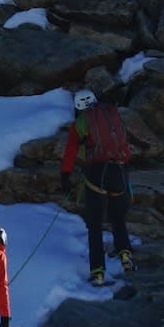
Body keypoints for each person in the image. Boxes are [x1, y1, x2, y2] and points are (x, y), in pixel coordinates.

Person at [61, 87, 135, 286]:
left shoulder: (80, 124)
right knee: (117, 217)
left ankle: (98, 272)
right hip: (119, 171)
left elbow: (70, 152)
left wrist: (65, 175)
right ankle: (126, 257)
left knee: (95, 224)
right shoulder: (111, 114)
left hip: (97, 173)